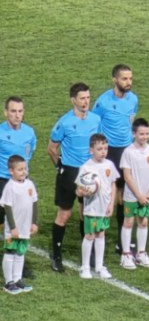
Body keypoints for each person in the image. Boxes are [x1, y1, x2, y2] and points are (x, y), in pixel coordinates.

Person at [47, 82, 101, 273]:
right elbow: (52, 148)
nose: (86, 102)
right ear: (73, 100)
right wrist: (60, 166)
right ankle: (56, 255)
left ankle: (88, 254)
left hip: (89, 172)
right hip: (69, 172)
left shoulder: (95, 119)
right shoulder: (64, 122)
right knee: (64, 214)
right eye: (82, 98)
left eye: (88, 97)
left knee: (87, 212)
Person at [92, 64, 138, 253]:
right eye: (124, 79)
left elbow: (130, 121)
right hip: (109, 152)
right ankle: (95, 236)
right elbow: (94, 124)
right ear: (115, 80)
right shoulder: (103, 102)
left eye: (130, 78)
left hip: (126, 151)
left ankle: (122, 238)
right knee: (106, 194)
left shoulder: (133, 99)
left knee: (124, 194)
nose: (128, 82)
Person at [0, 96, 37, 279]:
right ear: (6, 112)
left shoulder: (29, 132)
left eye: (20, 111)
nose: (17, 115)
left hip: (21, 182)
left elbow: (30, 154)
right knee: (5, 223)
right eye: (13, 111)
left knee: (21, 222)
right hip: (2, 181)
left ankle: (19, 265)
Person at [76, 133, 120, 279]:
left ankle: (100, 266)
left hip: (104, 207)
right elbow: (78, 189)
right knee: (89, 236)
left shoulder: (109, 165)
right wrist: (83, 192)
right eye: (100, 149)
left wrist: (111, 204)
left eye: (105, 148)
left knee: (101, 234)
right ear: (91, 150)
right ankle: (85, 266)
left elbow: (113, 184)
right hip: (92, 208)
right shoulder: (85, 167)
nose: (103, 152)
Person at [119, 118, 149, 269]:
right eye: (141, 134)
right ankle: (126, 254)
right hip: (132, 195)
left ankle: (141, 253)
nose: (145, 137)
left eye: (147, 134)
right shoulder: (128, 152)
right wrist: (139, 195)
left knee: (143, 222)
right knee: (129, 221)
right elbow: (127, 176)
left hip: (147, 195)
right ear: (134, 134)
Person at [1, 155, 38, 294]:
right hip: (14, 229)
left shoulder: (29, 184)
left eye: (25, 168)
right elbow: (8, 208)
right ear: (11, 171)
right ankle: (8, 282)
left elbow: (34, 203)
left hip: (25, 227)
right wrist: (12, 227)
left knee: (20, 253)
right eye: (20, 169)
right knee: (10, 252)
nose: (24, 172)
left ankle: (17, 279)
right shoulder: (10, 187)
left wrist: (34, 222)